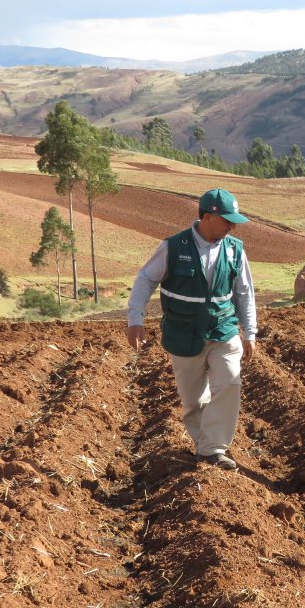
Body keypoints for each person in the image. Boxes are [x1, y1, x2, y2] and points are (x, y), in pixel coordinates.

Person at [126, 188, 257, 469]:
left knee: (230, 381)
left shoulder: (235, 250)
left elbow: (245, 293)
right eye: (227, 221)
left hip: (223, 329)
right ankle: (204, 447)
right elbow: (144, 280)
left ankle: (213, 449)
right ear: (208, 217)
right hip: (183, 333)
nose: (232, 227)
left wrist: (250, 331)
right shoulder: (174, 247)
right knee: (193, 400)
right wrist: (135, 319)